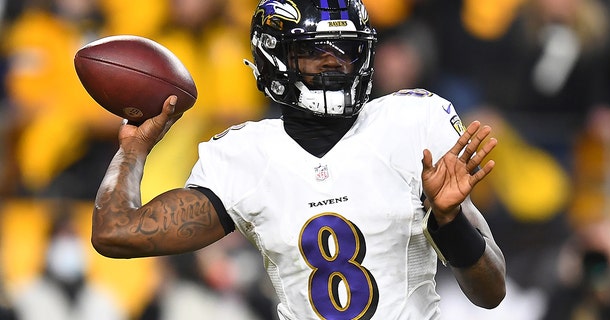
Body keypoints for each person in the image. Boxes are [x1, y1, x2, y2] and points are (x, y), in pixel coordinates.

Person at [90, 0, 506, 319]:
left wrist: (450, 223)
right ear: (276, 58)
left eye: (345, 51)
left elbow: (491, 292)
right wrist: (133, 149)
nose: (333, 63)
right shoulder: (246, 155)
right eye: (315, 52)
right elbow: (115, 233)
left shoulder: (412, 123)